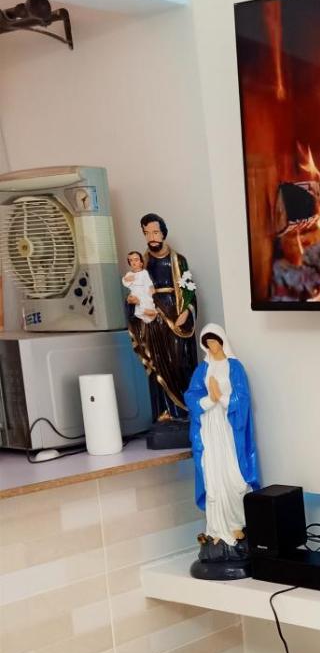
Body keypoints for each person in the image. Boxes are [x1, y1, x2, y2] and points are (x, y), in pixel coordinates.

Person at [187, 326, 260, 564]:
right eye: (208, 343)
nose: (212, 346)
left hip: (229, 428)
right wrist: (210, 399)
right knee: (213, 476)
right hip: (210, 428)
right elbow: (192, 396)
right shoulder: (202, 369)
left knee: (234, 477)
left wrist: (223, 398)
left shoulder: (234, 367)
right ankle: (217, 530)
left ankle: (237, 525)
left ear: (222, 342)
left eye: (215, 341)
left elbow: (243, 397)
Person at [126, 213, 198, 425]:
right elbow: (134, 290)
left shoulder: (178, 260)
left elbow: (189, 291)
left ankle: (184, 411)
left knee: (180, 362)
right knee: (157, 364)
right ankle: (164, 412)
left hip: (175, 317)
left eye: (155, 232)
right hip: (152, 320)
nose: (152, 237)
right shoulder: (142, 264)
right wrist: (131, 301)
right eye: (147, 233)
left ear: (163, 233)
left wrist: (186, 312)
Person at [122, 251, 155, 321]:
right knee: (137, 304)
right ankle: (143, 312)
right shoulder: (129, 274)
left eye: (136, 260)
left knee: (147, 301)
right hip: (135, 293)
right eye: (131, 260)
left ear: (141, 262)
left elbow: (149, 283)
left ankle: (149, 312)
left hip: (145, 292)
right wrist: (126, 279)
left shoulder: (144, 273)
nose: (133, 262)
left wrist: (151, 290)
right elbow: (125, 283)